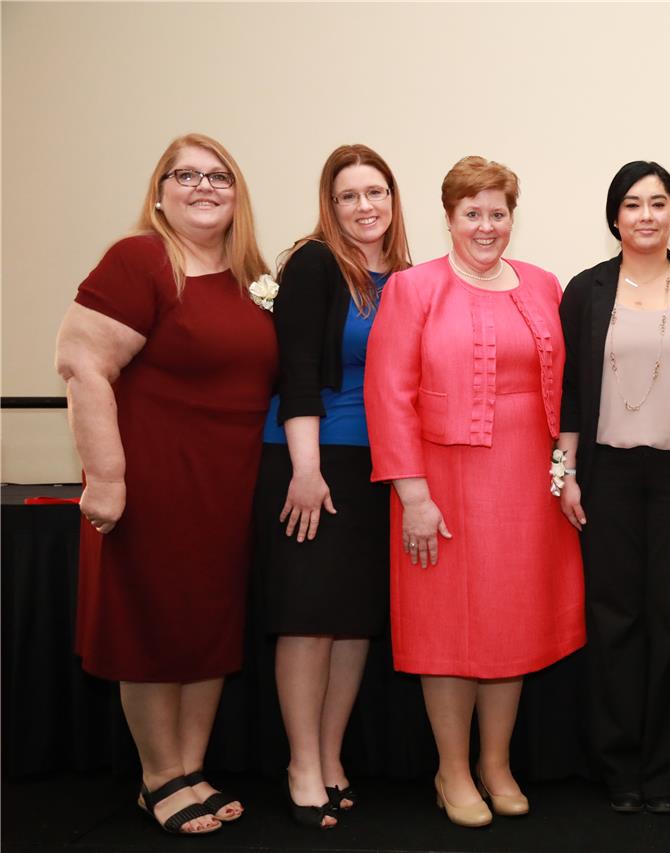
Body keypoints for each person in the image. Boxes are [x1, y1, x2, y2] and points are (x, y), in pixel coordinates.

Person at [54, 133, 277, 836]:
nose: (204, 186)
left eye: (219, 176)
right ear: (159, 193)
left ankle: (189, 766)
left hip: (227, 485)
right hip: (152, 480)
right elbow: (82, 363)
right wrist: (106, 477)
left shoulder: (251, 276)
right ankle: (158, 777)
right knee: (151, 626)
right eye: (186, 175)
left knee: (208, 625)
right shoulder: (140, 259)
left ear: (238, 195)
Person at [364, 155, 585, 828]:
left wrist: (564, 469)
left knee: (511, 621)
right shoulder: (413, 288)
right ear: (450, 218)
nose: (486, 226)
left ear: (512, 217)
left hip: (526, 483)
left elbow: (568, 389)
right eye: (472, 214)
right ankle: (452, 769)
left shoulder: (544, 284)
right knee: (448, 626)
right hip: (441, 485)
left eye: (498, 213)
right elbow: (388, 396)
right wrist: (413, 496)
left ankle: (496, 762)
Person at [556, 161, 670, 814]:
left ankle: (665, 770)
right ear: (614, 217)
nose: (646, 215)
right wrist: (565, 474)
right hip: (608, 475)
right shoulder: (586, 290)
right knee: (614, 620)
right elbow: (569, 393)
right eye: (632, 204)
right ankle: (619, 766)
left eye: (658, 203)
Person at [252, 144, 411, 828]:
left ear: (393, 199)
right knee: (309, 617)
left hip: (378, 465)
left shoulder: (406, 277)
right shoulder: (315, 263)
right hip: (313, 459)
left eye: (375, 192)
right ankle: (300, 764)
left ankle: (330, 755)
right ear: (331, 204)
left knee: (353, 622)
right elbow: (297, 371)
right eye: (348, 195)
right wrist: (307, 470)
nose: (364, 206)